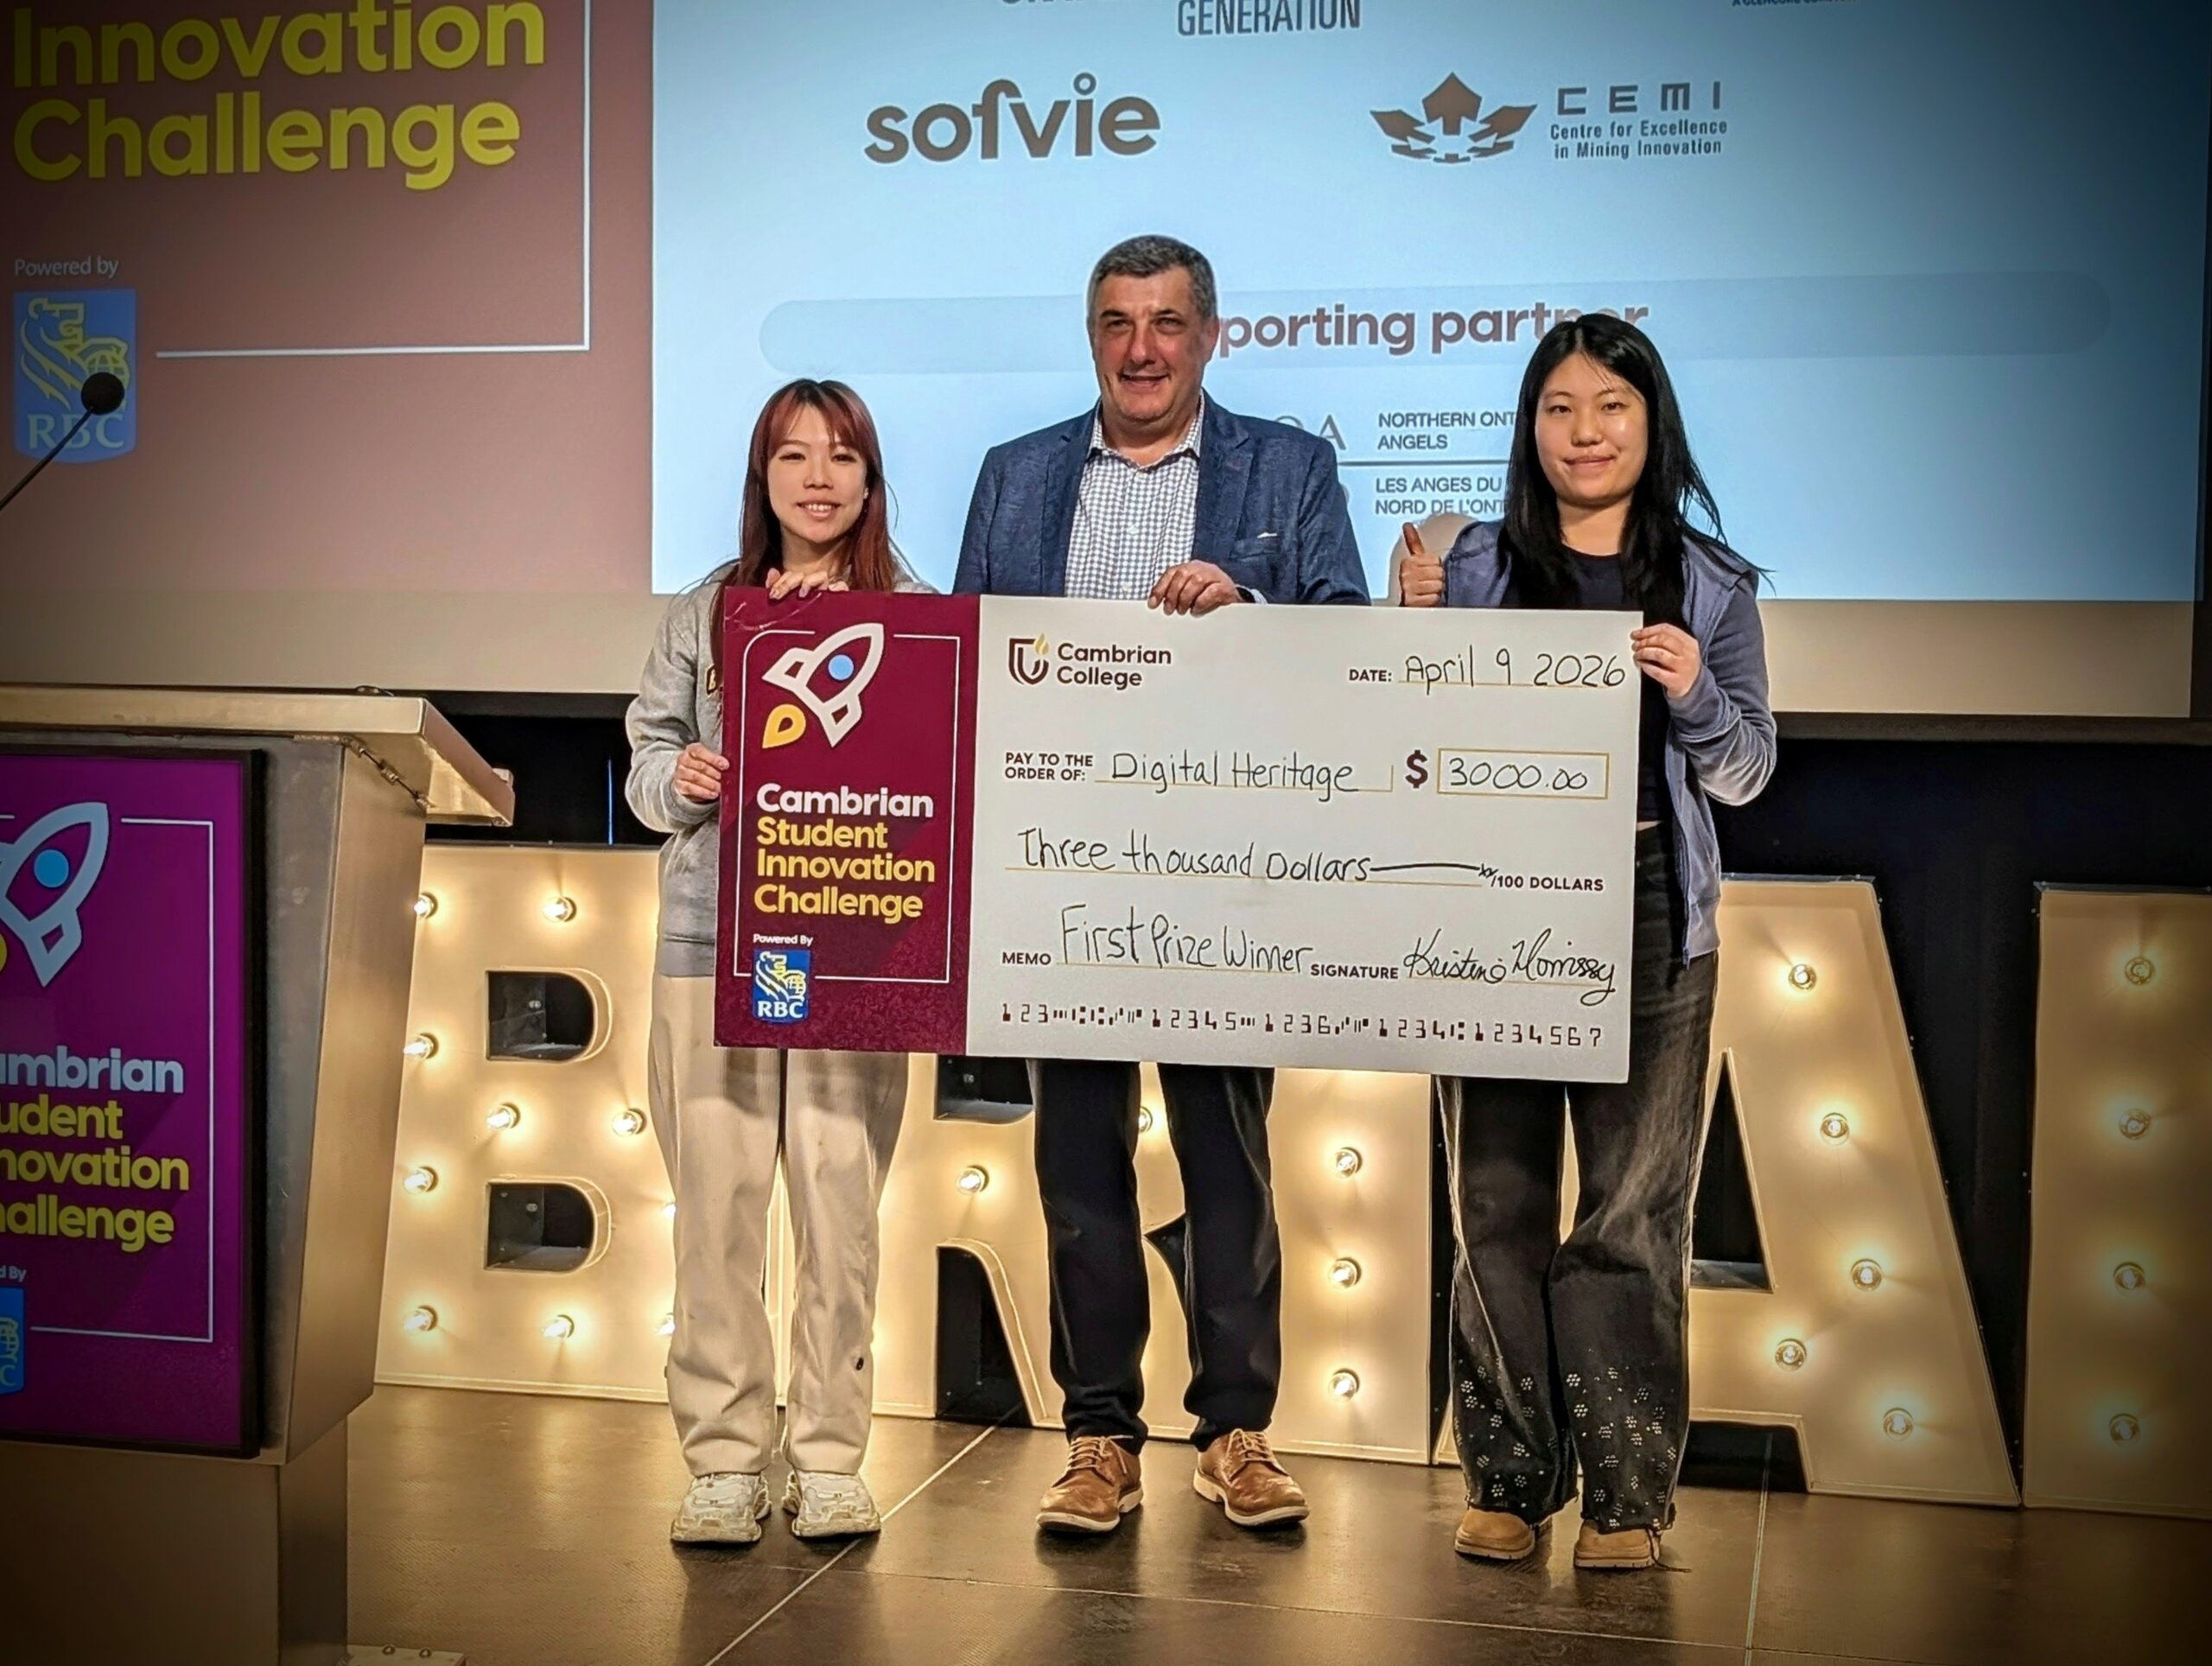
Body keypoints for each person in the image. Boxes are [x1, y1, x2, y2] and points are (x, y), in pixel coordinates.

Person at [955, 234, 1369, 1535]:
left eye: (1170, 322)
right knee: (1078, 1166)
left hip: (1223, 874)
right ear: (1092, 335)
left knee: (1228, 1163)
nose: (1143, 348)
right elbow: (966, 657)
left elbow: (1350, 639)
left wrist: (1250, 607)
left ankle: (1237, 1430)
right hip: (1057, 871)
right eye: (1119, 323)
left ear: (1212, 335)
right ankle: (1098, 1439)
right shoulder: (1016, 475)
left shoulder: (1287, 467)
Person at [1398, 314, 1775, 1570]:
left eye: (1611, 407)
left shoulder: (1713, 582)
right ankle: (1507, 1477)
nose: (1586, 432)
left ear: (1651, 423)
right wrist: (1412, 639)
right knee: (1493, 1198)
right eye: (1560, 409)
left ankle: (1626, 1502)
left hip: (1654, 904)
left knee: (1629, 1213)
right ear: (1531, 428)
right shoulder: (1474, 568)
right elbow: (1411, 742)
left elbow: (1746, 772)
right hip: (1492, 905)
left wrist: (1695, 693)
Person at [626, 378, 925, 1547]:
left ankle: (831, 1453)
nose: (817, 479)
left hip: (861, 942)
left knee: (840, 1201)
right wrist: (680, 779)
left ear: (869, 476)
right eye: (793, 457)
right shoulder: (708, 608)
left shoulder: (913, 612)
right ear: (762, 478)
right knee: (718, 1204)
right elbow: (650, 752)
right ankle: (724, 1456)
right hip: (715, 942)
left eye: (841, 457)